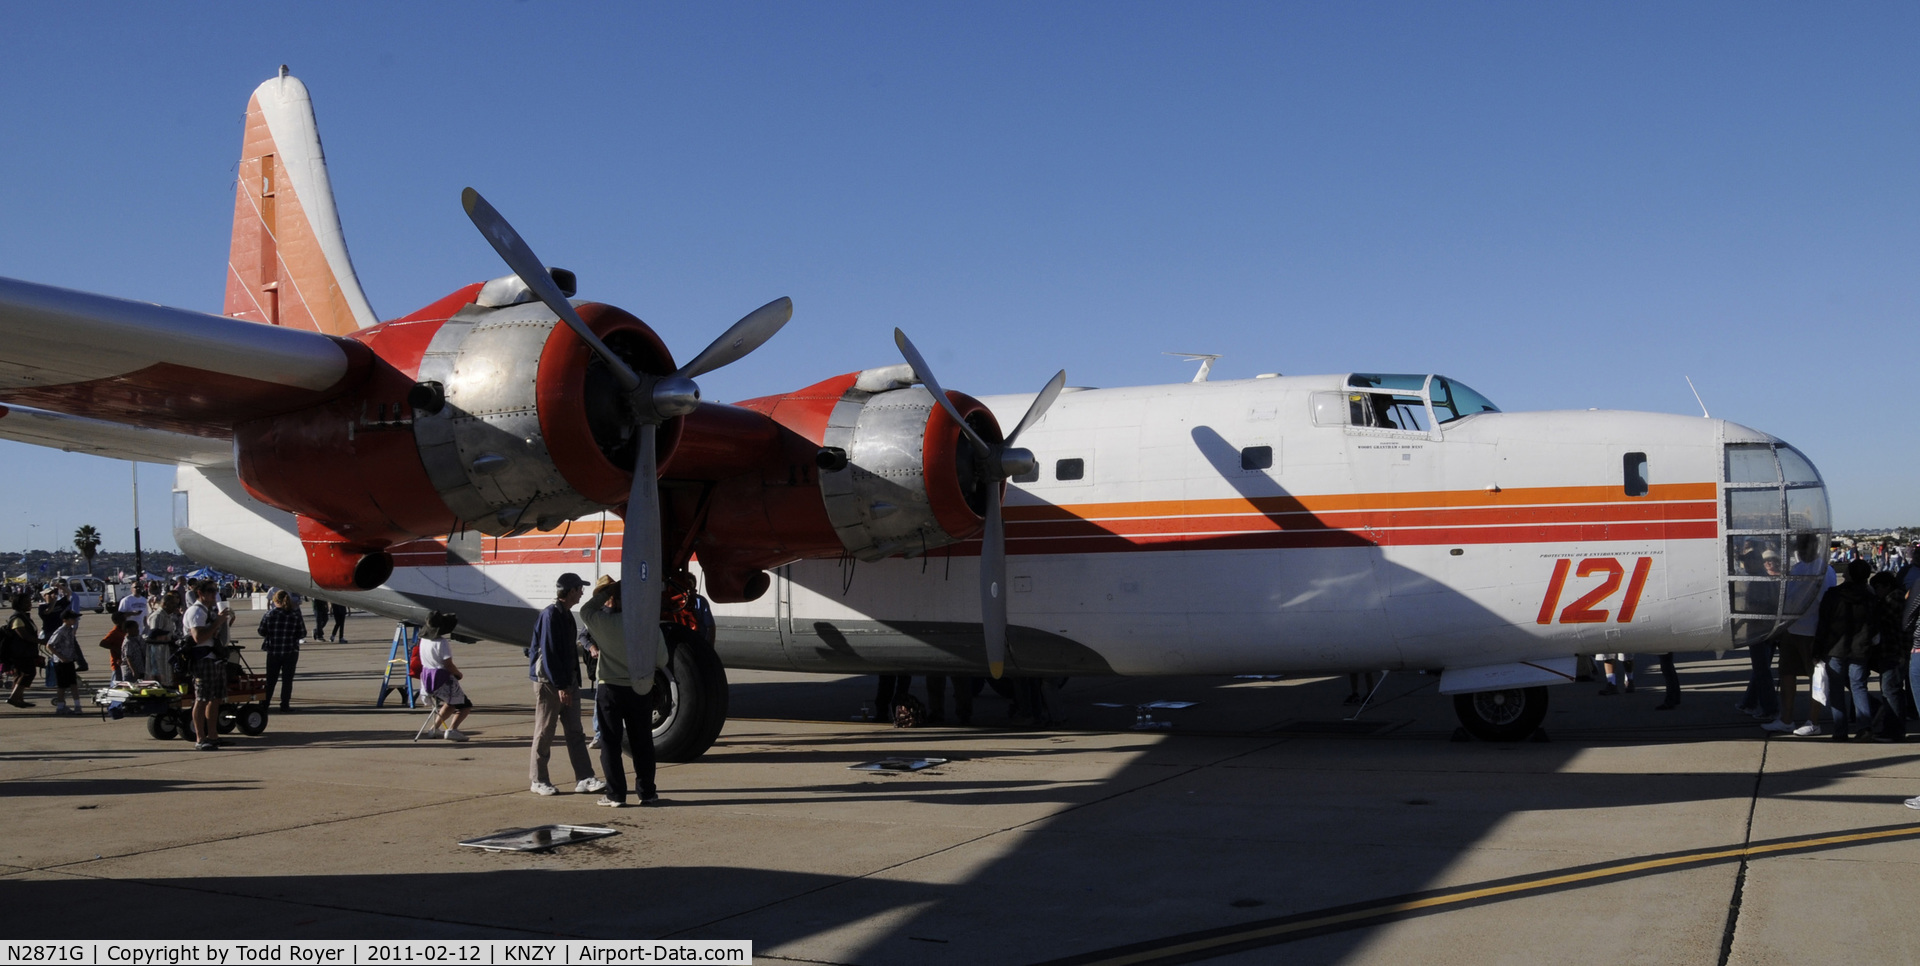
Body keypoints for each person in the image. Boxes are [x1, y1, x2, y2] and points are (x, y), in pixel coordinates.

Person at [581, 575, 669, 806]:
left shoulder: (601, 622)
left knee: (610, 743)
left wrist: (607, 592)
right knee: (642, 743)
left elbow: (585, 610)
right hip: (639, 688)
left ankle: (616, 795)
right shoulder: (647, 624)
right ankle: (647, 792)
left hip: (610, 688)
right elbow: (662, 659)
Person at [527, 572, 602, 796]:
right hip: (550, 683)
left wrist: (571, 683)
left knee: (575, 732)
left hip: (566, 682)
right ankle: (538, 780)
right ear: (569, 591)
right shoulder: (551, 615)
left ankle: (585, 777)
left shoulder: (567, 615)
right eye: (579, 589)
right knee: (544, 732)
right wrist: (561, 686)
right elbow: (549, 654)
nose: (582, 593)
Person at [1764, 550, 1838, 736]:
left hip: (1812, 632)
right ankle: (1786, 719)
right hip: (1792, 629)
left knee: (1817, 677)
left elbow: (1826, 602)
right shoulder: (1797, 568)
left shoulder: (1825, 570)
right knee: (1787, 673)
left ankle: (1813, 722)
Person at [1815, 560, 1879, 742]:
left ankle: (1840, 729)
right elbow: (1875, 624)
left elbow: (1823, 624)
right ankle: (1864, 727)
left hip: (1835, 647)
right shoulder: (1870, 597)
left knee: (1836, 690)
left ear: (1848, 574)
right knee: (1858, 686)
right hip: (1860, 648)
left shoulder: (1833, 595)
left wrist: (1817, 649)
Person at [182, 581, 235, 750]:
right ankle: (200, 738)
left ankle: (213, 736)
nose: (214, 594)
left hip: (215, 658)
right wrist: (218, 622)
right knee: (202, 699)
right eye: (211, 591)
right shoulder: (196, 611)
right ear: (200, 593)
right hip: (203, 659)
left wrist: (226, 621)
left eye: (216, 590)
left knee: (216, 699)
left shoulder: (208, 611)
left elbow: (216, 633)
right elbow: (198, 637)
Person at [417, 611, 471, 740]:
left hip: (428, 676)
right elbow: (447, 663)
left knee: (449, 703)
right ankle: (453, 729)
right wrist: (457, 673)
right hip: (441, 677)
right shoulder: (441, 642)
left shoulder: (423, 640)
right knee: (465, 705)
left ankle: (434, 728)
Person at [255, 590, 306, 713]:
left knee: (271, 680)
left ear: (275, 601)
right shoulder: (294, 615)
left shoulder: (269, 615)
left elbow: (261, 631)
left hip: (274, 651)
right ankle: (284, 705)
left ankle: (265, 704)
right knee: (287, 681)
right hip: (290, 651)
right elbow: (302, 633)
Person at [44, 610, 83, 714]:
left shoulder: (70, 630)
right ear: (65, 620)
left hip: (69, 660)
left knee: (73, 684)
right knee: (62, 685)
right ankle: (60, 706)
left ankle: (77, 705)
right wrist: (61, 657)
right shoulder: (61, 630)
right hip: (61, 662)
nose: (75, 620)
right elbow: (49, 645)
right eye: (73, 618)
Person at [144, 591, 184, 687]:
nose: (175, 607)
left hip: (166, 651)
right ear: (165, 604)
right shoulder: (158, 616)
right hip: (156, 652)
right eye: (173, 604)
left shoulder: (168, 616)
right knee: (158, 677)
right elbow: (152, 635)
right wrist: (166, 636)